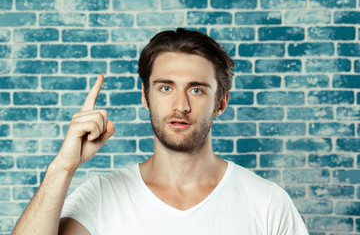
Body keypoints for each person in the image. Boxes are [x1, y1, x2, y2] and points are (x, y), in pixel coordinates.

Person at [12, 28, 308, 235]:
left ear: (221, 102)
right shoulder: (102, 195)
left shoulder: (266, 202)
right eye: (166, 87)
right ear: (146, 96)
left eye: (197, 89)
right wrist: (62, 169)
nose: (181, 105)